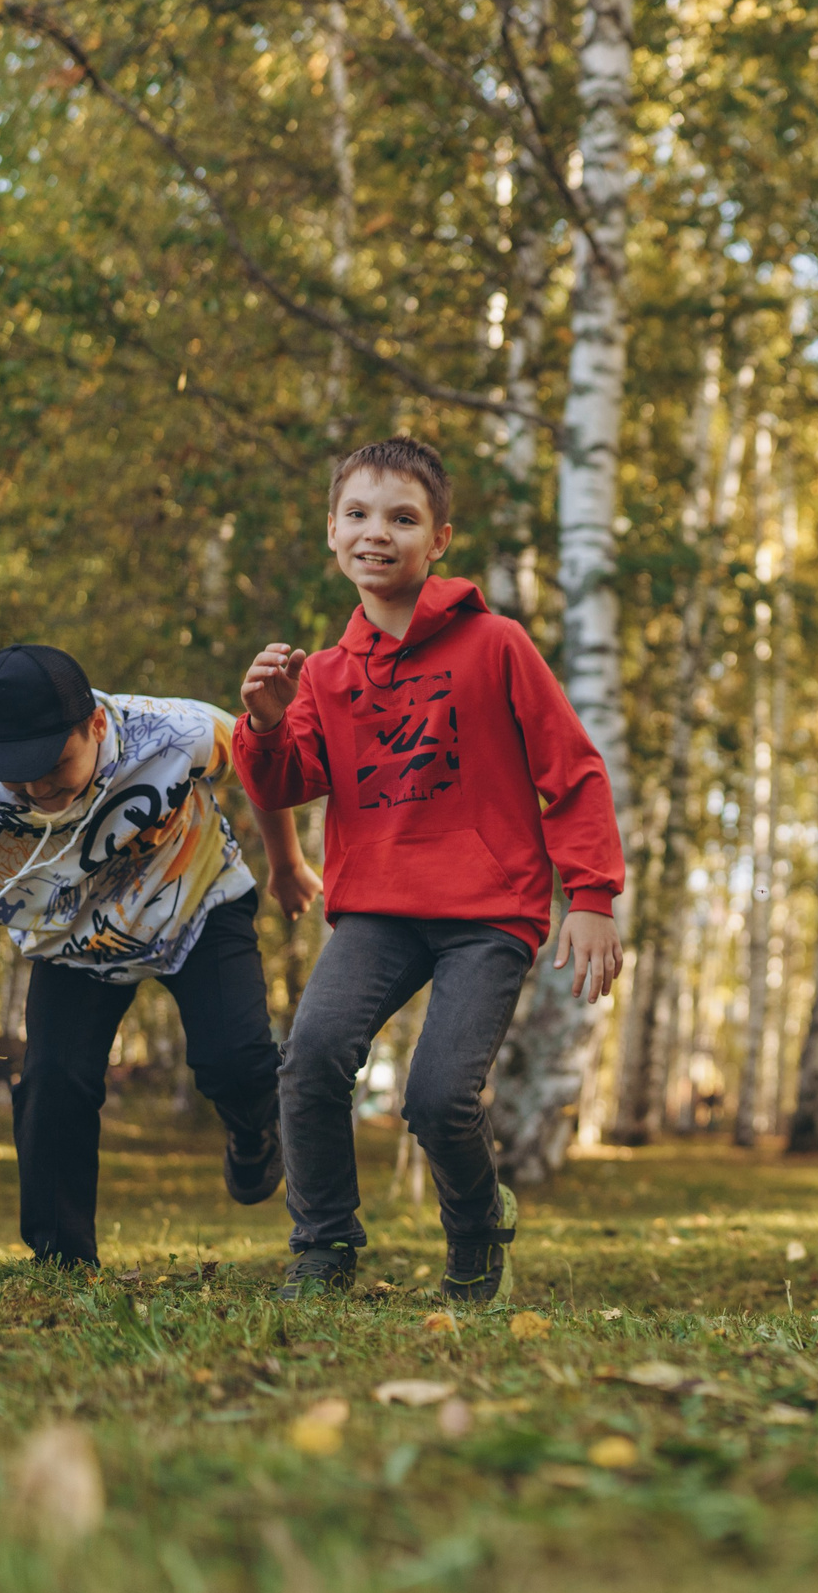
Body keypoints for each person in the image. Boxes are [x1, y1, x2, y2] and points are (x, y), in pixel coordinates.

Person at [236, 436, 624, 1305]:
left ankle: (479, 1230)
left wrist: (591, 894)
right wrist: (263, 723)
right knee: (310, 1059)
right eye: (358, 514)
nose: (377, 532)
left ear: (438, 539)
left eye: (403, 518)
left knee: (439, 1095)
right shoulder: (324, 675)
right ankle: (324, 1244)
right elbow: (287, 781)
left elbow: (572, 770)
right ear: (331, 530)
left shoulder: (496, 644)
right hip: (377, 909)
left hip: (488, 909)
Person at [0, 645, 318, 1267]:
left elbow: (262, 764)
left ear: (95, 725)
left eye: (52, 765)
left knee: (234, 1061)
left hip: (198, 902)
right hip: (75, 943)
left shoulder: (176, 731)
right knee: (52, 1084)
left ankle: (255, 1132)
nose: (37, 788)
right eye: (18, 773)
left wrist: (287, 865)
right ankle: (63, 1260)